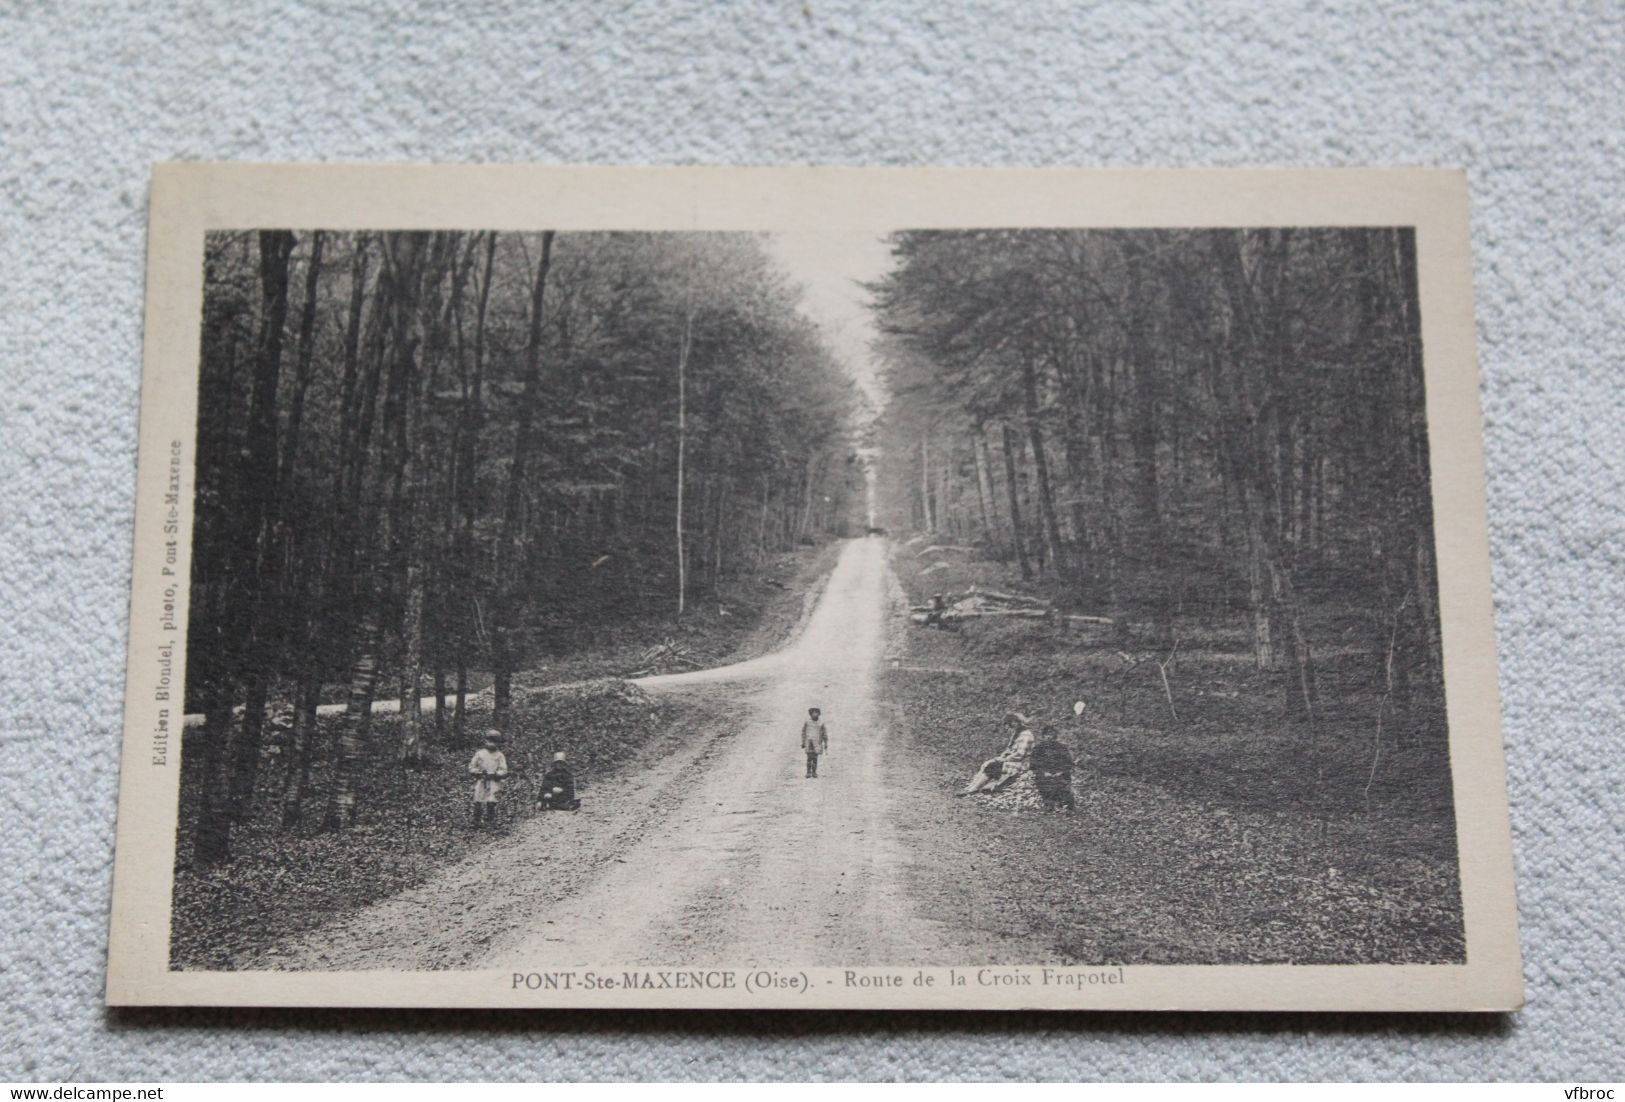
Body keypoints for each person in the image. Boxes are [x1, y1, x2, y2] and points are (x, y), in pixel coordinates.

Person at [959, 711, 1037, 796]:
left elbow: (1020, 754)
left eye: (1010, 725)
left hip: (1021, 763)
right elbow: (1009, 749)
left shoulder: (1026, 735)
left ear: (1015, 723)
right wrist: (1002, 756)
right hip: (1012, 760)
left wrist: (1004, 759)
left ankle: (973, 790)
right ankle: (971, 787)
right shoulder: (1017, 733)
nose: (1010, 728)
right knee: (988, 763)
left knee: (993, 766)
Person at [467, 731, 509, 827]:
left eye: (495, 742)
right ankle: (476, 821)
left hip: (494, 780)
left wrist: (496, 774)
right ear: (485, 741)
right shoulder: (480, 754)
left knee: (492, 800)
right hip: (482, 779)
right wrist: (477, 772)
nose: (491, 744)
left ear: (498, 743)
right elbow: (471, 767)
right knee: (478, 798)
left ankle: (490, 821)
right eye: (489, 741)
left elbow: (503, 769)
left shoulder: (499, 755)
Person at [1030, 725, 1075, 812]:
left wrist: (1060, 772)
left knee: (1062, 784)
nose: (1049, 737)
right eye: (1047, 735)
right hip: (1044, 773)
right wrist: (1044, 772)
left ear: (1055, 736)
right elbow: (1034, 763)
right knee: (1044, 782)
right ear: (1043, 736)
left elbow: (1068, 763)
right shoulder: (1038, 749)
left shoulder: (1062, 748)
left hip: (1059, 773)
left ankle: (1065, 805)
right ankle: (1048, 803)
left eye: (1051, 735)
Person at [800, 707, 829, 778]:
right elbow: (803, 732)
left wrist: (825, 743)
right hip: (809, 742)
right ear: (810, 714)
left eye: (816, 713)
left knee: (815, 758)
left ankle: (814, 772)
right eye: (813, 713)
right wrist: (803, 742)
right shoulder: (807, 722)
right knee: (809, 757)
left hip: (817, 743)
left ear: (819, 714)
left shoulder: (821, 723)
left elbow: (825, 734)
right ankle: (808, 772)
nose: (815, 714)